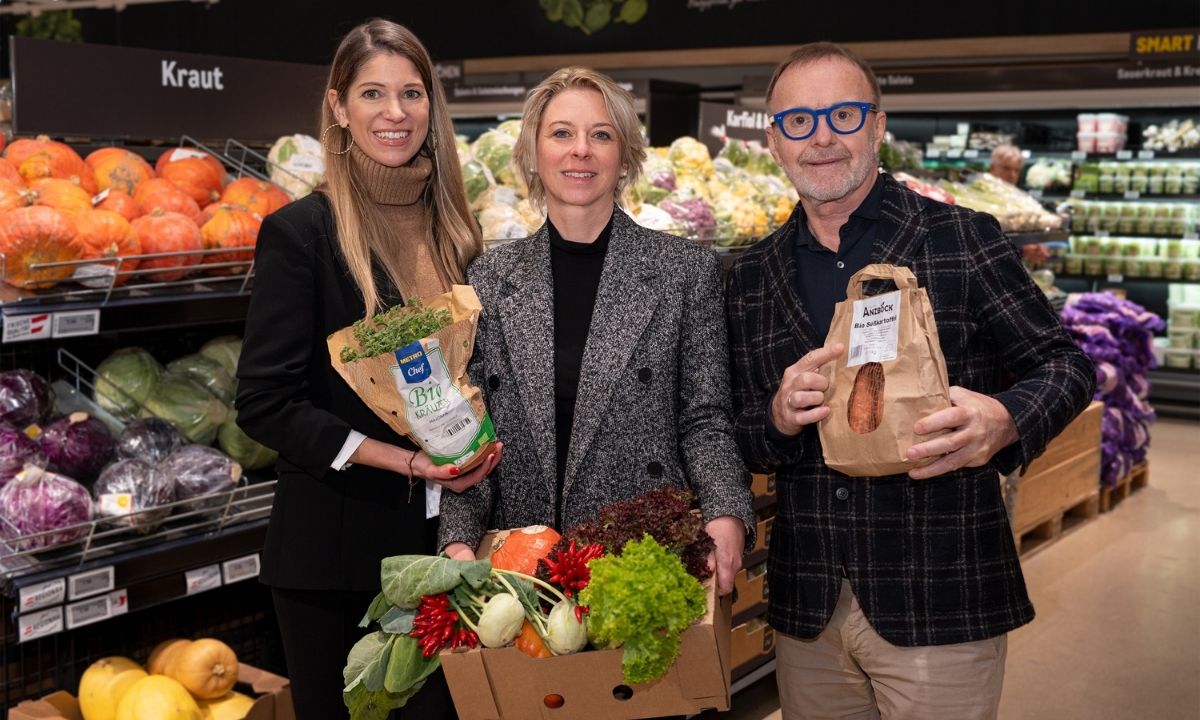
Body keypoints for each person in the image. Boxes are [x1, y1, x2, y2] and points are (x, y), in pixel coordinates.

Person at [725, 42, 1095, 720]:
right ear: (774, 142)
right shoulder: (750, 276)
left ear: (877, 126)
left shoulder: (959, 238)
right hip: (809, 604)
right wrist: (776, 415)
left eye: (843, 113)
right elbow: (739, 432)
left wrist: (1005, 419)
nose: (823, 137)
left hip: (939, 590)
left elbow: (1066, 364)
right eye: (799, 121)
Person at [235, 19, 502, 720]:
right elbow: (264, 402)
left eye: (411, 93)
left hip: (446, 547)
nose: (394, 112)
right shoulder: (301, 233)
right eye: (373, 93)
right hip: (338, 559)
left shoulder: (458, 232)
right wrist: (404, 464)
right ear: (338, 106)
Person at [438, 67, 754, 596]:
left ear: (625, 157)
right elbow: (475, 432)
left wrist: (726, 511)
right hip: (522, 563)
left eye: (601, 135)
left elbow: (705, 420)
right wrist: (458, 538)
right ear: (533, 155)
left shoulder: (684, 271)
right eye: (561, 133)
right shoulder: (489, 278)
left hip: (641, 558)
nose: (580, 150)